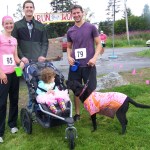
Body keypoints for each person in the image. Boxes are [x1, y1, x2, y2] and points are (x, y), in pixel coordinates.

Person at [66, 5, 102, 121]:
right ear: (72, 15)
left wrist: (95, 58)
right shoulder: (70, 30)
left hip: (89, 65)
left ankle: (93, 112)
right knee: (75, 90)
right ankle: (77, 114)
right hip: (75, 66)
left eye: (78, 12)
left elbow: (99, 44)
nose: (76, 15)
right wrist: (68, 57)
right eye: (74, 13)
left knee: (91, 89)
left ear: (82, 13)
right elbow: (68, 47)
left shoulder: (91, 27)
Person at [12, 0, 48, 110]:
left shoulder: (40, 26)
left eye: (31, 7)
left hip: (38, 61)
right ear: (23, 9)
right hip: (25, 61)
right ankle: (31, 108)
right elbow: (15, 43)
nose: (29, 9)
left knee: (41, 83)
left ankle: (42, 107)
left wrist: (42, 55)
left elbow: (45, 42)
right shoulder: (17, 25)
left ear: (33, 9)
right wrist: (21, 56)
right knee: (30, 85)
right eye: (26, 7)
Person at [0, 16, 24, 143]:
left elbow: (15, 57)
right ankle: (0, 131)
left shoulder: (14, 40)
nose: (9, 25)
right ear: (3, 24)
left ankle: (13, 124)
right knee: (2, 103)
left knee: (14, 99)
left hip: (15, 73)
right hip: (3, 75)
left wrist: (21, 64)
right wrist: (1, 73)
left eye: (11, 23)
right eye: (7, 23)